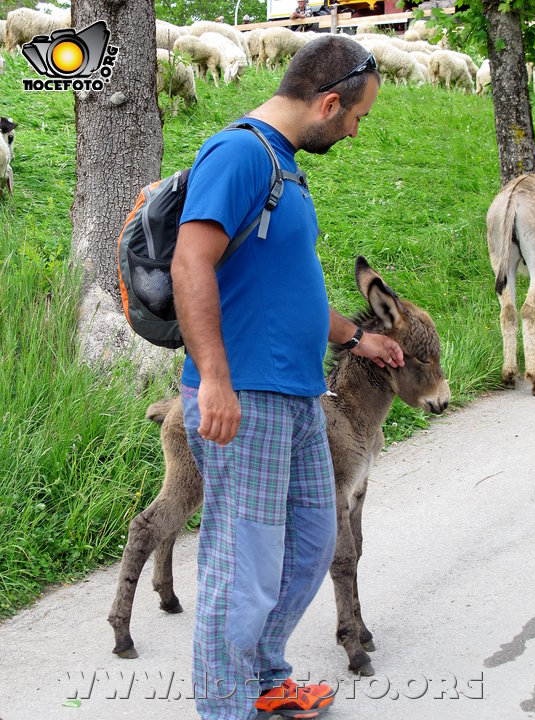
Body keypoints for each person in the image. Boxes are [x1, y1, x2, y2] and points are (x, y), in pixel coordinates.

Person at [171, 35, 404, 720]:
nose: (356, 130)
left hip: (298, 396)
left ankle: (265, 678)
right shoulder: (240, 152)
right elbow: (191, 264)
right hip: (243, 397)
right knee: (241, 565)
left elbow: (282, 287)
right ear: (329, 102)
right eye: (357, 117)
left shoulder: (283, 166)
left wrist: (358, 337)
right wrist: (213, 377)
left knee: (309, 545)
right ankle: (225, 707)